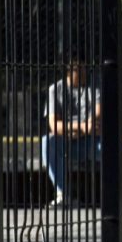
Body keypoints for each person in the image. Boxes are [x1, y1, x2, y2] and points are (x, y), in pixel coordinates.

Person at [41, 58, 101, 206]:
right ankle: (63, 193)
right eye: (78, 70)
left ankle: (113, 194)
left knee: (108, 145)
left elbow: (99, 113)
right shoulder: (55, 89)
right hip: (68, 141)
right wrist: (81, 127)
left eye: (84, 69)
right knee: (47, 142)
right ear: (69, 72)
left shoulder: (94, 84)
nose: (83, 73)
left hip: (91, 140)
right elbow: (54, 125)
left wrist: (84, 129)